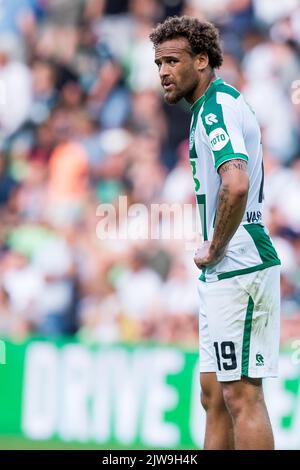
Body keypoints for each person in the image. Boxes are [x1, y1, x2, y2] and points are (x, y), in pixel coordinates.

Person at [150, 16, 281, 450]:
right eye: (158, 63)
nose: (164, 72)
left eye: (173, 60)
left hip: (240, 265)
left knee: (241, 396)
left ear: (202, 60)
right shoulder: (207, 108)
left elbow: (237, 182)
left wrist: (214, 246)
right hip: (226, 270)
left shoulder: (218, 108)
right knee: (213, 394)